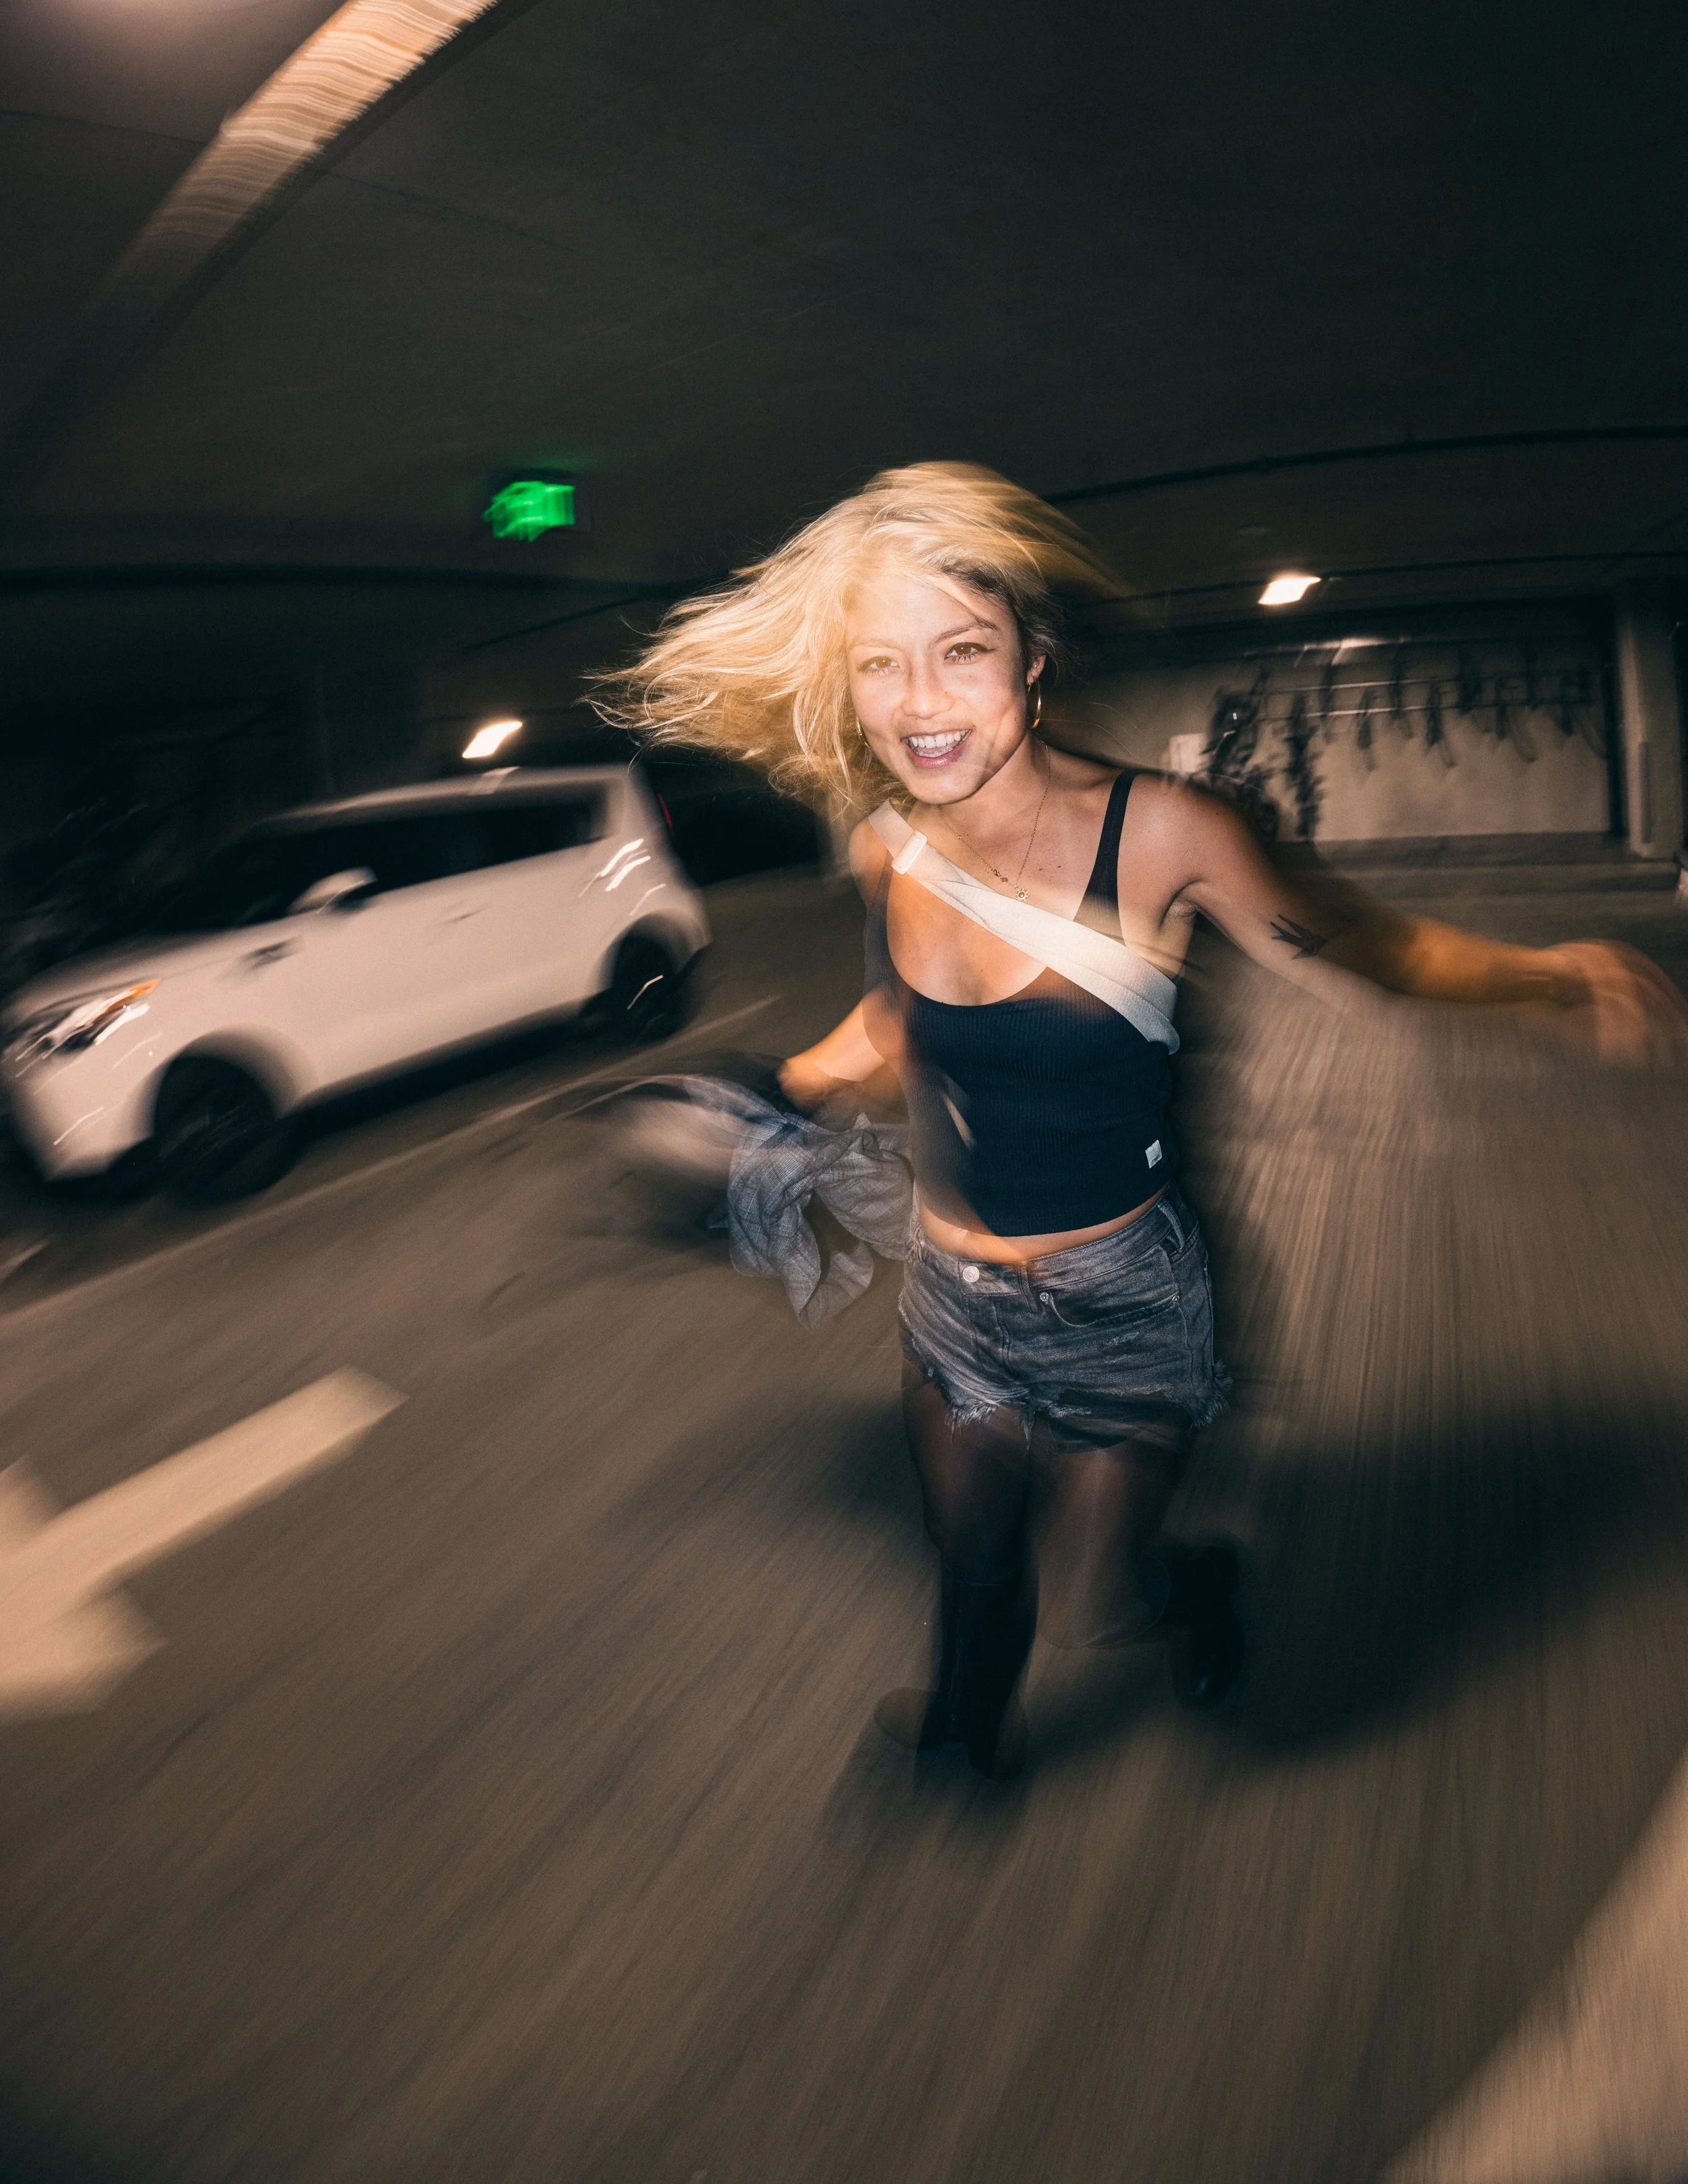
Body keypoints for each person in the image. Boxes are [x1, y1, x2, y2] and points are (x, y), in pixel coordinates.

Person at [599, 462, 1688, 1778]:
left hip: (1124, 1293)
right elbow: (897, 1023)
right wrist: (777, 1093)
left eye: (960, 651)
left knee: (1102, 1598)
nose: (921, 704)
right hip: (954, 1297)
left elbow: (1371, 954)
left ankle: (1203, 1591)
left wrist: (1547, 979)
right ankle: (960, 1744)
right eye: (881, 665)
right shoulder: (888, 848)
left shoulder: (1164, 834)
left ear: (1032, 664)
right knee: (972, 1551)